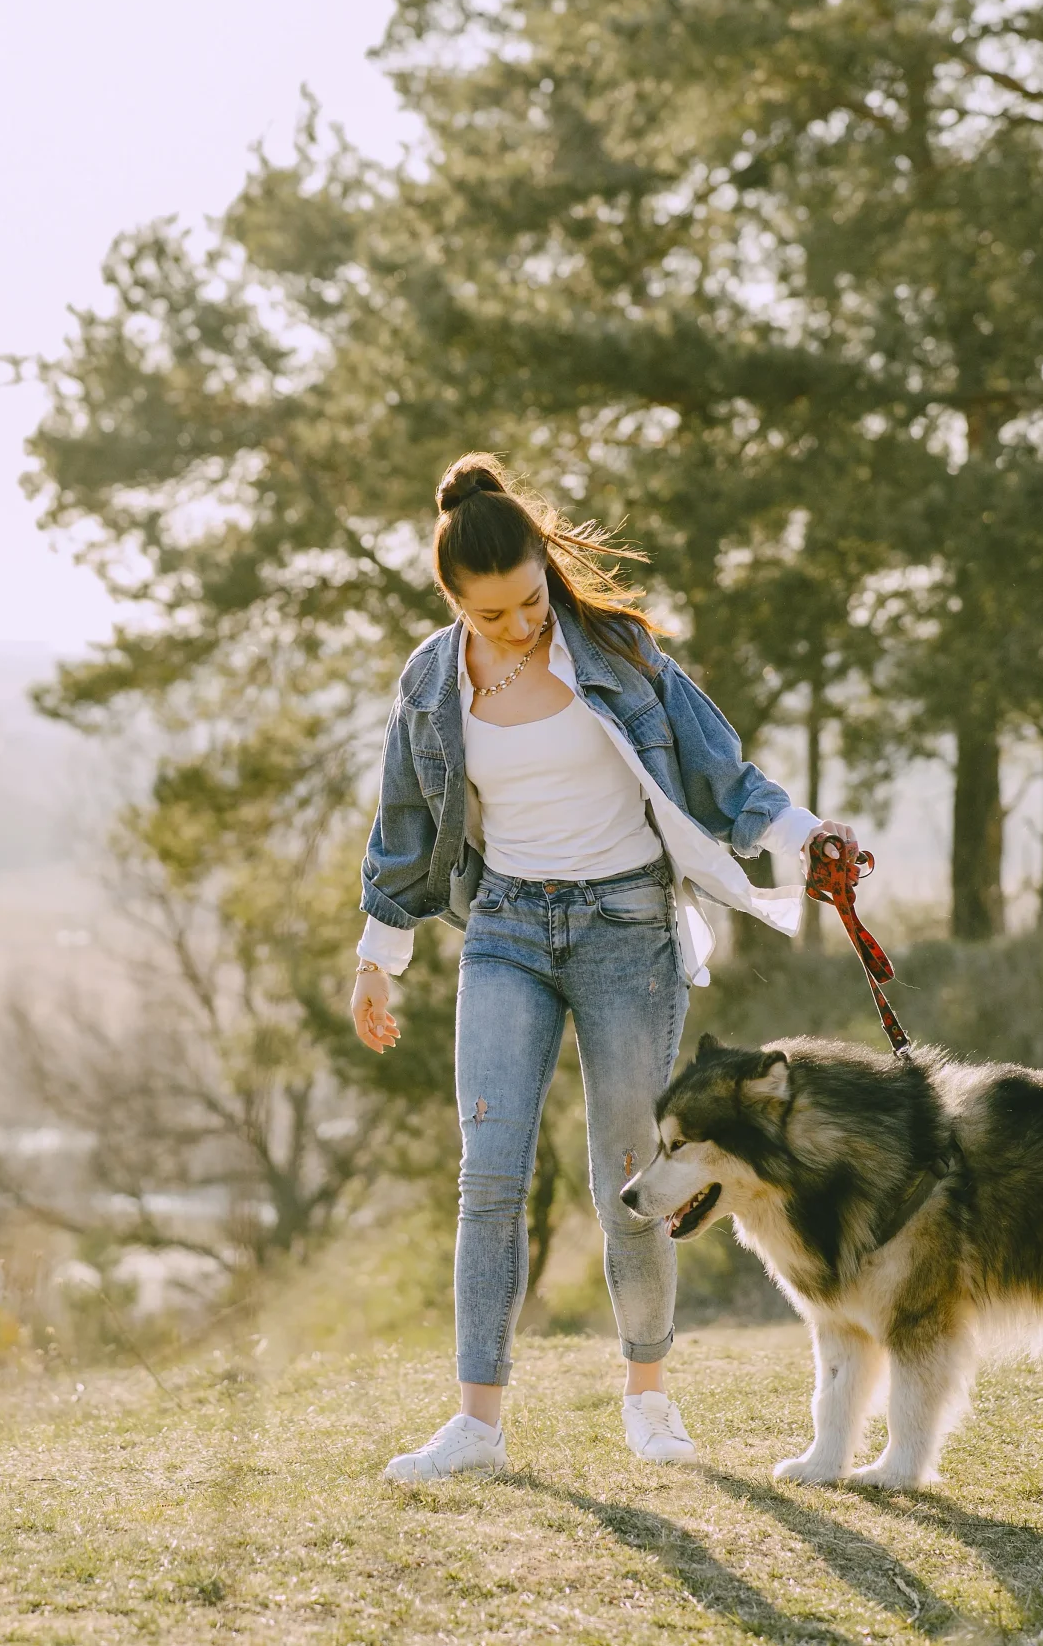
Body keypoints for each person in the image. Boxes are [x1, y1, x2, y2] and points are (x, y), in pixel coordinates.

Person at [352, 452, 857, 1481]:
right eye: (490, 616)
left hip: (628, 929)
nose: (518, 628)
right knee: (487, 1176)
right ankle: (477, 1426)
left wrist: (807, 838)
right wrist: (378, 956)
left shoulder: (617, 652)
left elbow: (720, 771)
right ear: (453, 602)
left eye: (529, 602)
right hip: (505, 931)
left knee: (633, 1170)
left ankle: (648, 1397)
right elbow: (404, 828)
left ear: (546, 566)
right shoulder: (428, 684)